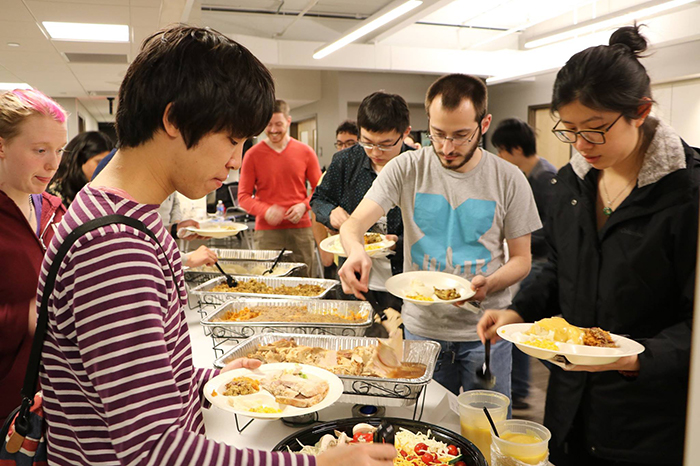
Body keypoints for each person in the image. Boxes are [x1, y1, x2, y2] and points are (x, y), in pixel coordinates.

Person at [37, 25, 395, 466]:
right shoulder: (115, 247)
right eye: (232, 139)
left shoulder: (122, 217)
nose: (236, 159)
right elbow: (153, 450)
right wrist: (318, 464)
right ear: (174, 119)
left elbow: (121, 387)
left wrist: (201, 379)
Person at [477, 25, 698, 466]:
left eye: (596, 129)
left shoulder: (687, 193)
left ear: (641, 110)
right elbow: (558, 267)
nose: (580, 144)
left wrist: (633, 358)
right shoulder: (572, 184)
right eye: (570, 129)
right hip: (570, 402)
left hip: (648, 416)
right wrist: (520, 311)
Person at [338, 74, 541, 400]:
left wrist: (490, 283)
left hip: (484, 330)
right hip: (422, 330)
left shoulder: (509, 178)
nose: (447, 148)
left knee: (488, 425)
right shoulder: (406, 168)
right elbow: (353, 226)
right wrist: (354, 252)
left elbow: (522, 259)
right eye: (437, 134)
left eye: (461, 135)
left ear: (484, 123)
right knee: (424, 427)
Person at [311, 91, 414, 310]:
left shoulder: (416, 167)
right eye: (367, 142)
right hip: (355, 277)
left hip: (405, 280)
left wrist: (400, 242)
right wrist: (330, 213)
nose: (375, 152)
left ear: (405, 133)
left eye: (385, 144)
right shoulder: (345, 161)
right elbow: (318, 200)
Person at [0, 89, 67, 421]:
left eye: (59, 150)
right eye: (40, 150)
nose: (52, 164)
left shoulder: (54, 211)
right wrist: (25, 316)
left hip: (54, 399)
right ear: (1, 146)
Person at [490, 117, 558, 410]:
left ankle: (518, 389)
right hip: (534, 262)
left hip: (542, 266)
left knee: (515, 324)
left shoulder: (546, 179)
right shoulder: (530, 175)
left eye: (502, 151)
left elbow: (550, 232)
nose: (500, 158)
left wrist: (516, 238)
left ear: (515, 149)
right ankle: (519, 388)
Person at [238, 100, 322, 277]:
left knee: (304, 280)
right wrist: (265, 210)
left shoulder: (306, 152)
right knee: (267, 280)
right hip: (267, 232)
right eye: (269, 125)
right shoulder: (252, 155)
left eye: (279, 124)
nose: (274, 130)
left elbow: (320, 191)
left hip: (301, 229)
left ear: (288, 121)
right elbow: (243, 197)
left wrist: (303, 206)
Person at [47, 130, 112, 206]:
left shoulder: (100, 192)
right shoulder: (54, 196)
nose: (104, 168)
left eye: (108, 164)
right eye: (99, 162)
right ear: (80, 160)